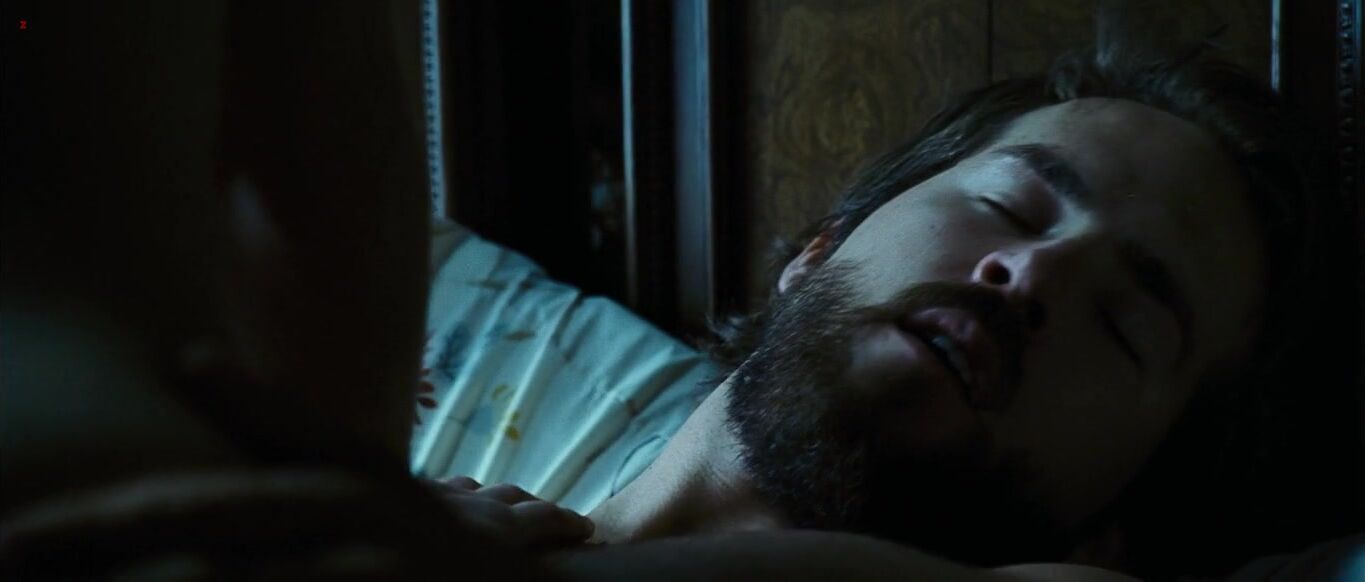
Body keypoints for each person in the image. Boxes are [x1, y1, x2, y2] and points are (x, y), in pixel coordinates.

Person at [1, 2, 1358, 580]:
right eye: (1011, 204)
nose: (1033, 272)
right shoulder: (434, 506)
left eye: (1129, 320)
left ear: (1121, 518)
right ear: (817, 245)